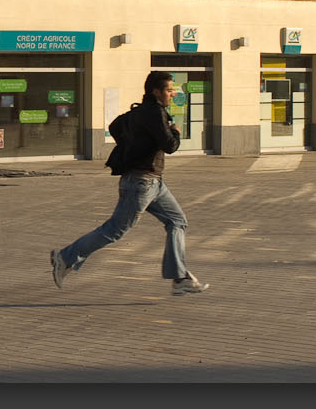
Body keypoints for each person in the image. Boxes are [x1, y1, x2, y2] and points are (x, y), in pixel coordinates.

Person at [49, 71, 210, 296]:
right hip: (141, 182)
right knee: (115, 230)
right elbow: (170, 145)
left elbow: (115, 126)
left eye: (172, 89)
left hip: (154, 182)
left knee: (177, 221)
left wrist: (133, 146)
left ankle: (179, 277)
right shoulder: (154, 112)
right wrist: (175, 132)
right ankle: (65, 257)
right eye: (168, 89)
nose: (172, 94)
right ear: (156, 91)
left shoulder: (139, 111)